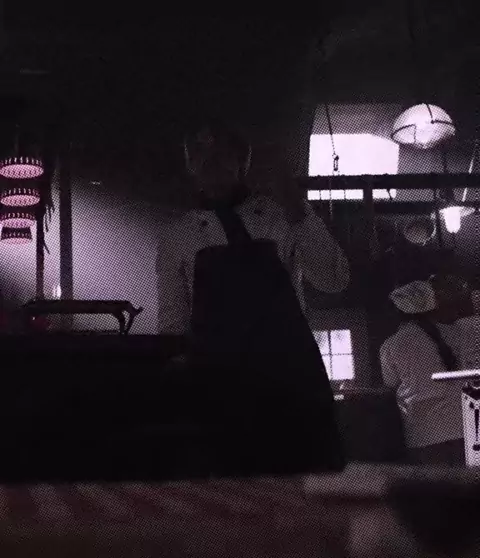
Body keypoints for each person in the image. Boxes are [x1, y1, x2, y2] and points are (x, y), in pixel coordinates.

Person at [156, 120, 350, 475]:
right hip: (218, 380)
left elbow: (333, 279)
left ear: (242, 162)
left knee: (304, 478)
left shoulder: (280, 216)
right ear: (190, 168)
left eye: (221, 157)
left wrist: (295, 206)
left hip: (288, 374)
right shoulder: (177, 235)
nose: (212, 166)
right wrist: (179, 383)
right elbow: (172, 320)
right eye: (201, 158)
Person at [380, 275, 475, 466]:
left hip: (424, 434)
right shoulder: (458, 332)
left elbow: (390, 384)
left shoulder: (391, 345)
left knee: (436, 485)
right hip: (466, 428)